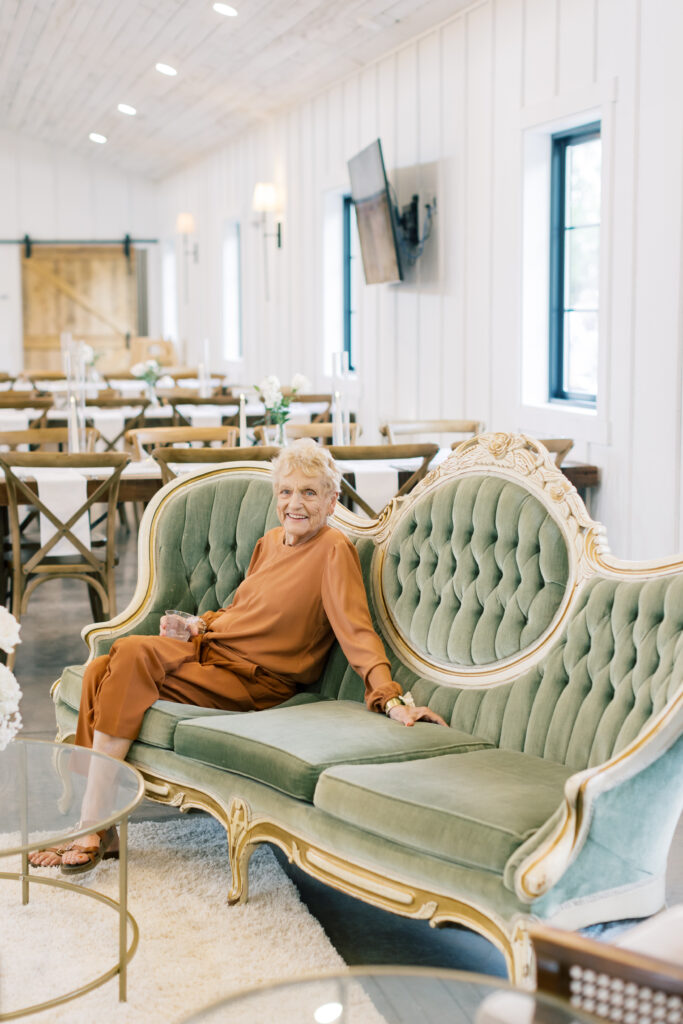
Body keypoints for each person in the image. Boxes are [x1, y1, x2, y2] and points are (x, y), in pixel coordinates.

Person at [30, 439, 446, 873]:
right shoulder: (269, 542)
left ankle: (92, 825)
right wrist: (199, 625)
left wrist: (389, 696)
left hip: (258, 681)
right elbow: (241, 609)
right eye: (286, 492)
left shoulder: (332, 550)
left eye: (309, 492)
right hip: (214, 657)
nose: (295, 503)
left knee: (131, 653)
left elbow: (356, 629)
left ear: (331, 499)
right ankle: (104, 828)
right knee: (101, 668)